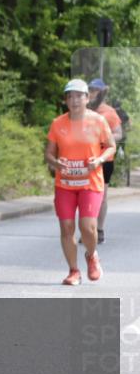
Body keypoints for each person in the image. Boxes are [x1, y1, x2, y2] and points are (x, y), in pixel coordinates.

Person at [44, 79, 116, 286]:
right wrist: (56, 163)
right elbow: (48, 153)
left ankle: (91, 255)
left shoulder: (98, 121)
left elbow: (110, 146)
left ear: (87, 99)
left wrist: (99, 160)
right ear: (65, 100)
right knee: (67, 228)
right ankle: (73, 271)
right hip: (65, 184)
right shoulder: (58, 123)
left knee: (87, 227)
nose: (74, 100)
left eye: (78, 96)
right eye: (70, 96)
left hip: (90, 182)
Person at [87, 79, 124, 243]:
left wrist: (103, 139)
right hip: (86, 159)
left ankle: (99, 230)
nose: (92, 93)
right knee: (86, 195)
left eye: (95, 90)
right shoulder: (83, 110)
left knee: (101, 196)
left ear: (102, 93)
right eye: (90, 90)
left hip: (105, 159)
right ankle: (88, 229)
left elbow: (119, 134)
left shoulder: (109, 112)